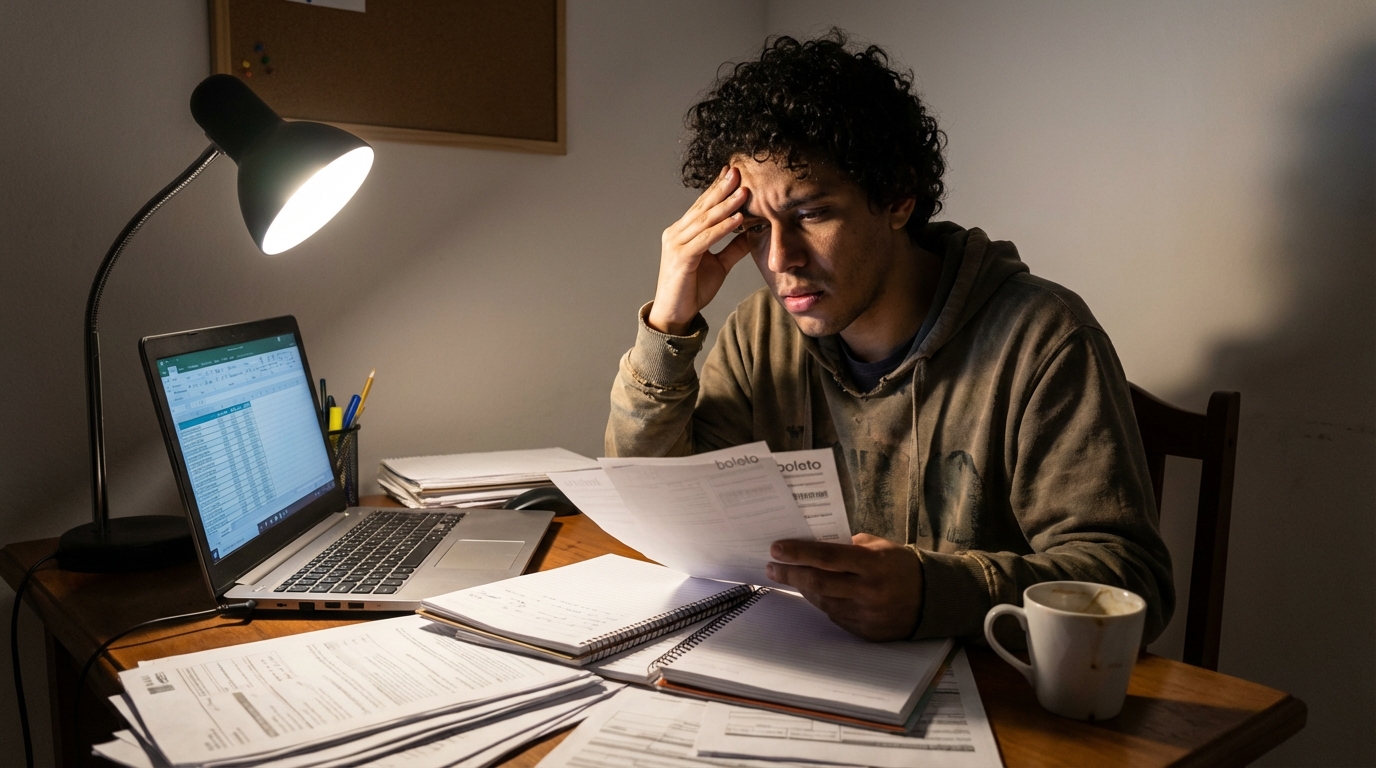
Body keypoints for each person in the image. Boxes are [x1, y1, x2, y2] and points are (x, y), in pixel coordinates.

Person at [606, 31, 1174, 645]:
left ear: (898, 198)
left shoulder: (1043, 339)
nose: (780, 259)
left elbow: (1132, 583)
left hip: (992, 705)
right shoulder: (760, 333)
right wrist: (668, 327)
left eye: (812, 214)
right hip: (799, 671)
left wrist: (934, 594)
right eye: (753, 226)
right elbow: (662, 513)